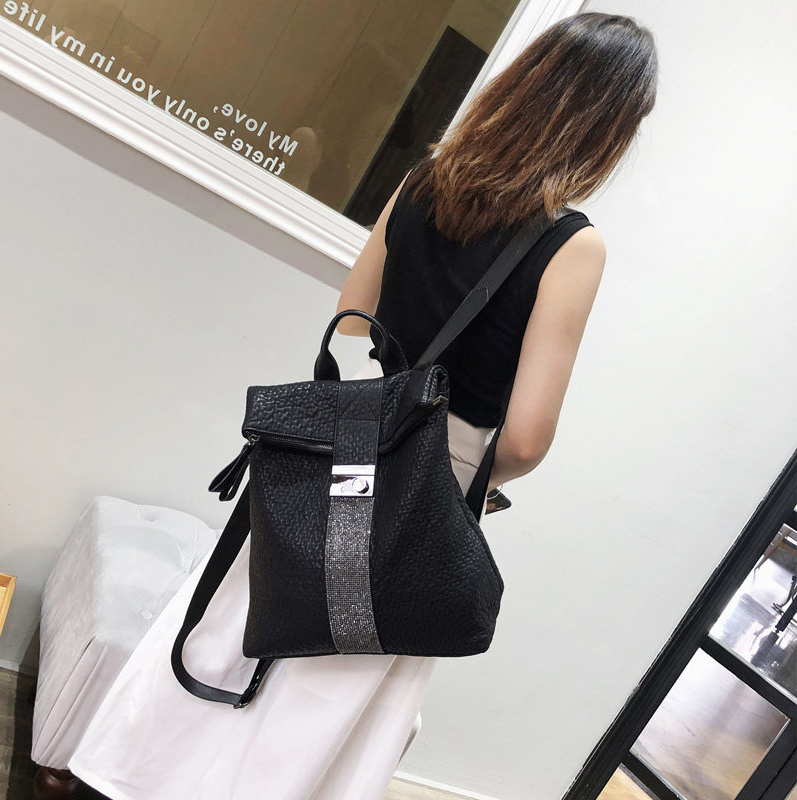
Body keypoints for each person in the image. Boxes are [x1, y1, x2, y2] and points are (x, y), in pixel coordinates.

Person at [66, 12, 657, 800]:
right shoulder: (573, 244)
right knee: (331, 687)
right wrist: (475, 470)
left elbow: (354, 312)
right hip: (432, 480)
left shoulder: (424, 182)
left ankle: (137, 777)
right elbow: (524, 439)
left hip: (351, 442)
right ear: (607, 126)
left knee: (247, 622)